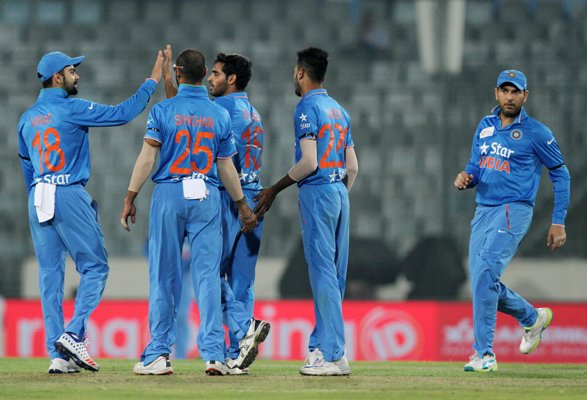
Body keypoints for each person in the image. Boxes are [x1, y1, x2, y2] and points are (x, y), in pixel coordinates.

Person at [17, 50, 163, 374]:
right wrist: (152, 81)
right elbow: (124, 113)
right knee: (96, 267)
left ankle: (57, 355)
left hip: (38, 194)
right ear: (58, 77)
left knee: (50, 276)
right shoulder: (72, 108)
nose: (77, 76)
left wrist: (39, 196)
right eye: (72, 70)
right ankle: (73, 333)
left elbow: (27, 167)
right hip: (67, 190)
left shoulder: (27, 118)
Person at [120, 47, 258, 376]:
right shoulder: (219, 115)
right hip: (207, 194)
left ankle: (157, 354)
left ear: (179, 73)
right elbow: (226, 167)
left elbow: (147, 158)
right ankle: (213, 355)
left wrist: (130, 196)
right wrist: (241, 205)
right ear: (203, 73)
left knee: (164, 276)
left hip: (169, 193)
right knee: (208, 277)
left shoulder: (163, 111)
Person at [454, 69, 570, 372]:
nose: (510, 96)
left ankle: (484, 355)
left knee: (485, 275)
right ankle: (533, 318)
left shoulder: (537, 133)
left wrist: (558, 221)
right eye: (505, 90)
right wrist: (467, 177)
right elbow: (475, 165)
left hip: (514, 209)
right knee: (481, 281)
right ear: (496, 93)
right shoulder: (486, 125)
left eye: (516, 91)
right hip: (483, 211)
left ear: (525, 96)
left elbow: (561, 174)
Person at [163, 46, 270, 373]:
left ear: (232, 79)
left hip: (229, 199)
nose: (210, 78)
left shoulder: (221, 108)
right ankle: (240, 352)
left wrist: (170, 74)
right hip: (255, 199)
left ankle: (239, 333)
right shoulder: (253, 112)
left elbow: (182, 110)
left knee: (208, 273)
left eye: (216, 74)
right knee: (242, 283)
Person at [255, 47, 359, 376]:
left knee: (322, 273)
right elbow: (353, 167)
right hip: (340, 192)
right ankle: (327, 350)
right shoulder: (339, 110)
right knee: (335, 275)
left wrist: (274, 188)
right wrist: (338, 193)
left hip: (317, 193)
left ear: (300, 72)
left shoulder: (306, 108)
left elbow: (309, 162)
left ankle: (331, 354)